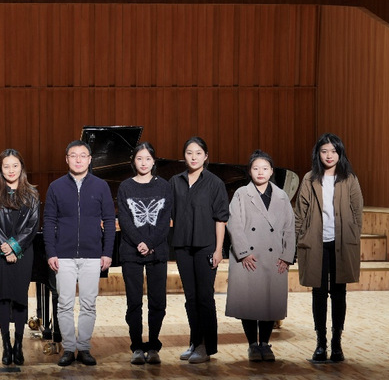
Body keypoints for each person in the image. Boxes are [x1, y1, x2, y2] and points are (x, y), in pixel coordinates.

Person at [43, 140, 115, 367]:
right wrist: (51, 252)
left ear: (90, 159)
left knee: (88, 304)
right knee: (64, 304)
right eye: (73, 155)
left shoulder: (101, 186)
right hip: (63, 255)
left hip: (93, 255)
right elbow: (49, 221)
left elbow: (110, 221)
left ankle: (83, 347)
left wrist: (107, 252)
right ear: (67, 159)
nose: (78, 159)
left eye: (83, 155)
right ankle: (68, 348)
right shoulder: (55, 187)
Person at [295, 133, 363, 362]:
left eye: (333, 151)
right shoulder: (309, 178)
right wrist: (297, 241)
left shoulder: (349, 178)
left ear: (340, 153)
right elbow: (300, 213)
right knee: (319, 292)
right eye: (324, 151)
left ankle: (337, 343)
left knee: (339, 293)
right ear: (318, 154)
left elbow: (357, 211)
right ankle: (320, 342)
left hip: (342, 243)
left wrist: (353, 235)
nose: (329, 155)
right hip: (316, 243)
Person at [225, 150, 295, 362]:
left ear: (272, 171)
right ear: (249, 171)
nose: (260, 172)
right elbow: (234, 224)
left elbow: (290, 228)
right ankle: (252, 345)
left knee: (269, 302)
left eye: (265, 168)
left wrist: (287, 256)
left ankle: (265, 343)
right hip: (249, 257)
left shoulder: (281, 196)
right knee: (249, 303)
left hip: (274, 258)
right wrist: (244, 253)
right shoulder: (241, 193)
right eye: (256, 168)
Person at [169, 136, 229, 363]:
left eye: (198, 153)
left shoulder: (215, 183)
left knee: (205, 297)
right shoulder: (175, 181)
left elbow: (221, 218)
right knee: (190, 298)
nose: (193, 157)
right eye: (189, 153)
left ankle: (206, 346)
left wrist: (218, 249)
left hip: (206, 247)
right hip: (183, 246)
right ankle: (195, 342)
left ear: (206, 156)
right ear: (184, 156)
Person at [116, 142, 173, 365]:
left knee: (158, 301)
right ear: (133, 161)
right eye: (139, 158)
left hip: (157, 250)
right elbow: (125, 219)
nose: (143, 163)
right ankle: (137, 346)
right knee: (134, 302)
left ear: (154, 161)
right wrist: (139, 242)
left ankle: (154, 346)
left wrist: (149, 243)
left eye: (148, 158)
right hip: (131, 251)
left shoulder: (164, 186)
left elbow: (164, 220)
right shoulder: (125, 186)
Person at [0, 149, 40, 366]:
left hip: (24, 252)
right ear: (0, 169)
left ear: (21, 167)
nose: (11, 170)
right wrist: (6, 248)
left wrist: (15, 248)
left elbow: (32, 226)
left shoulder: (32, 194)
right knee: (3, 298)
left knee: (19, 298)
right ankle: (6, 344)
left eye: (15, 165)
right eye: (6, 166)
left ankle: (18, 344)